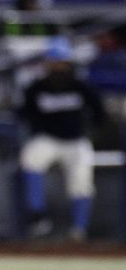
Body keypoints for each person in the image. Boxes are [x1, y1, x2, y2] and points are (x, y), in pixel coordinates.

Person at [18, 36, 106, 242]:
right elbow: (24, 113)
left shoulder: (80, 86)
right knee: (30, 158)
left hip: (76, 140)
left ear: (68, 62)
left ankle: (79, 229)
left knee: (81, 182)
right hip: (48, 138)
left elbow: (100, 113)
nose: (57, 66)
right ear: (47, 63)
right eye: (53, 61)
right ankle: (37, 217)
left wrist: (92, 131)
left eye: (61, 61)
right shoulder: (37, 87)